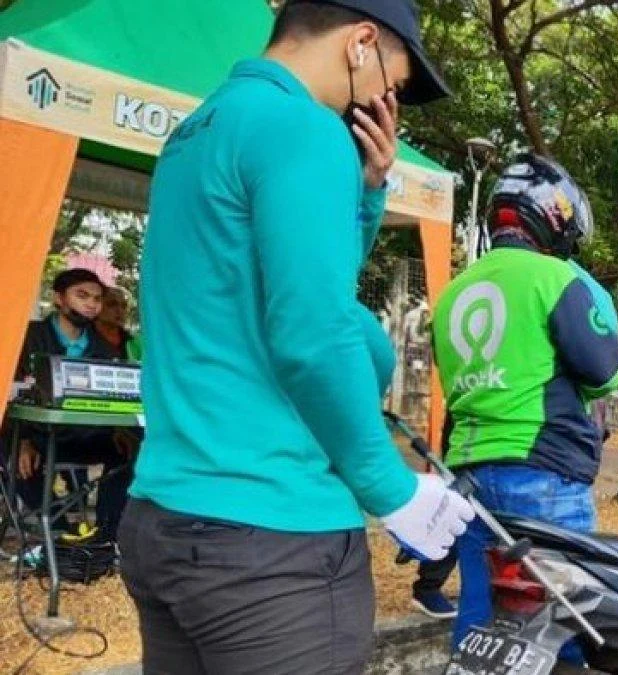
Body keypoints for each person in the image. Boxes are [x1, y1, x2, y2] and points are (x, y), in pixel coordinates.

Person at [118, 2, 473, 673]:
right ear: (361, 43)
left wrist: (368, 193)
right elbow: (314, 331)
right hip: (271, 544)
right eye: (391, 84)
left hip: (165, 519)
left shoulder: (200, 129)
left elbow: (293, 288)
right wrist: (389, 487)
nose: (384, 102)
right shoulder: (304, 129)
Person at [431, 154, 618, 653]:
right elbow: (605, 372)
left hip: (470, 481)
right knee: (565, 624)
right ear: (553, 217)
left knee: (478, 617)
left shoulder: (454, 292)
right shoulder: (555, 279)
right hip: (544, 479)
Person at [10, 268, 132, 542]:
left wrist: (121, 431)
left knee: (129, 453)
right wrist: (24, 440)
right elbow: (10, 391)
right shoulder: (27, 336)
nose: (91, 304)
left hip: (83, 434)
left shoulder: (107, 349)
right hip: (35, 434)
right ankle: (62, 535)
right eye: (82, 295)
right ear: (59, 299)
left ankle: (105, 538)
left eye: (97, 299)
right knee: (11, 453)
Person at [95, 286, 142, 361]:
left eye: (124, 306)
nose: (120, 311)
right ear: (96, 307)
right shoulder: (83, 339)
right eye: (112, 304)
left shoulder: (136, 342)